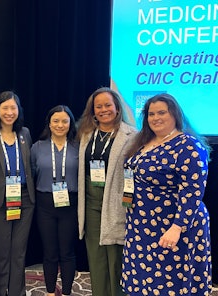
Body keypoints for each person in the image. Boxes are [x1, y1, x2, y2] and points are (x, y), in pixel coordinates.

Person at [122, 93, 212, 295]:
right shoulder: (144, 142)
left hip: (173, 228)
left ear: (175, 114)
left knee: (169, 284)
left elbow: (192, 190)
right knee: (145, 282)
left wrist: (177, 227)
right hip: (142, 226)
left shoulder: (188, 145)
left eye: (162, 112)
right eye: (151, 114)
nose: (156, 118)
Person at [76, 87, 137, 296]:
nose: (104, 110)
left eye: (107, 105)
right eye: (98, 106)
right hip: (91, 203)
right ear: (93, 111)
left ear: (117, 107)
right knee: (96, 257)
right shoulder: (85, 134)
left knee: (116, 258)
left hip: (117, 202)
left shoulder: (132, 135)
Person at [0, 90, 35, 296]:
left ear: (19, 110)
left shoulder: (25, 134)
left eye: (14, 108)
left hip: (25, 199)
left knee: (19, 252)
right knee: (2, 253)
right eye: (5, 108)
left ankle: (17, 292)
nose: (10, 112)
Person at [30, 105, 79, 296]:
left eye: (64, 121)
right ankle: (51, 292)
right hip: (45, 203)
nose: (60, 125)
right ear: (49, 124)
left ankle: (66, 292)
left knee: (67, 252)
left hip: (70, 203)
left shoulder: (78, 146)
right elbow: (32, 173)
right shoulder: (37, 147)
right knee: (49, 252)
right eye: (56, 121)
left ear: (70, 123)